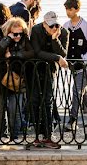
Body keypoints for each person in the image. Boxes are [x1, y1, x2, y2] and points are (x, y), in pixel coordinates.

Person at [27, 11, 68, 149]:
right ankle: (37, 136)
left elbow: (63, 53)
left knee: (48, 102)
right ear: (44, 24)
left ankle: (48, 136)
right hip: (34, 70)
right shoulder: (36, 30)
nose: (54, 28)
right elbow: (37, 52)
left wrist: (55, 39)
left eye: (57, 25)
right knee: (34, 101)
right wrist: (56, 58)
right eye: (51, 26)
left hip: (50, 71)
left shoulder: (64, 33)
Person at [0, 17, 32, 140]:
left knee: (15, 109)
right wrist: (8, 39)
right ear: (8, 31)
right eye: (15, 33)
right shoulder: (1, 37)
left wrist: (13, 55)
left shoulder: (24, 39)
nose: (18, 36)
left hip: (17, 79)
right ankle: (1, 133)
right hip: (0, 78)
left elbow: (31, 53)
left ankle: (14, 134)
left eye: (20, 33)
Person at [61, 0, 87, 132]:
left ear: (76, 9)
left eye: (70, 9)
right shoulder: (65, 26)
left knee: (76, 91)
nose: (67, 12)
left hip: (84, 65)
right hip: (72, 64)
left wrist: (85, 60)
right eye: (66, 9)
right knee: (83, 91)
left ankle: (73, 120)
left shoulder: (85, 25)